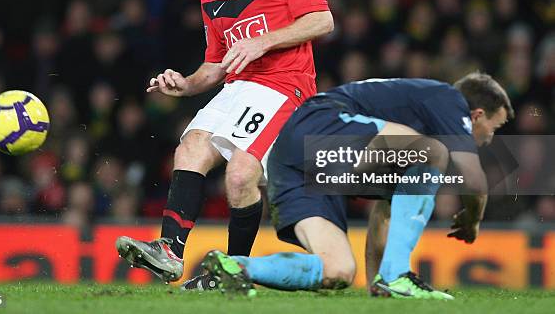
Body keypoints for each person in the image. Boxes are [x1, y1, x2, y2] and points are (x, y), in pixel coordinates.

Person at [115, 0, 334, 288]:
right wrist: (184, 84)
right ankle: (169, 251)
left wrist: (263, 41)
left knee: (238, 176)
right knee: (190, 147)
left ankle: (232, 271)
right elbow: (214, 66)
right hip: (237, 87)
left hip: (284, 85)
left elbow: (322, 20)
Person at [198, 73, 514, 299]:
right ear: (476, 115)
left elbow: (386, 213)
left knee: (338, 270)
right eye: (493, 128)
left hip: (292, 159)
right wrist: (472, 220)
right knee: (434, 152)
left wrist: (377, 287)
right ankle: (397, 276)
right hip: (323, 124)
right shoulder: (448, 99)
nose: (490, 139)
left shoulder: (408, 138)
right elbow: (473, 180)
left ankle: (237, 267)